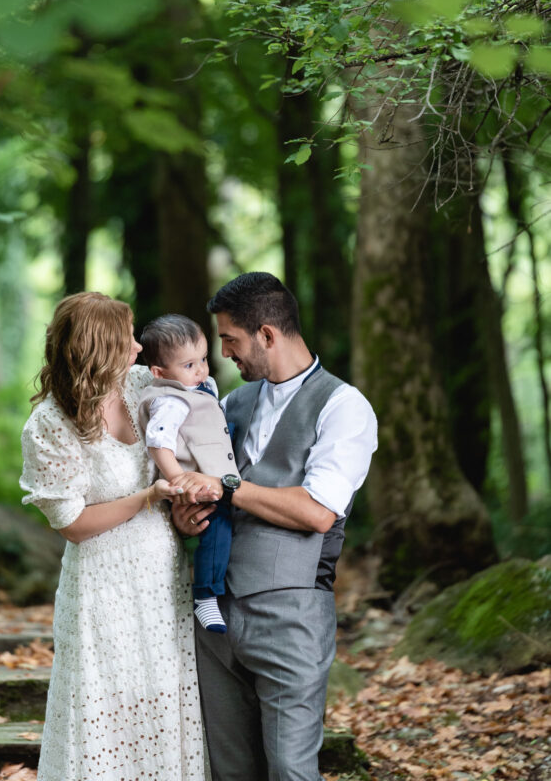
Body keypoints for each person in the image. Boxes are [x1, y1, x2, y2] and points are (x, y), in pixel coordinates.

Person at [173, 272, 378, 781]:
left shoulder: (344, 406)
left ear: (267, 334)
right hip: (214, 614)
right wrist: (185, 515)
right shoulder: (229, 405)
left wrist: (225, 484)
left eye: (230, 341)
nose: (225, 355)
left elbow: (317, 511)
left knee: (289, 768)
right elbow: (200, 493)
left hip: (291, 619)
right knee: (230, 768)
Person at [19, 292, 208, 781]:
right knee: (103, 705)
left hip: (161, 572)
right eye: (126, 340)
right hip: (101, 584)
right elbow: (72, 524)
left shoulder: (144, 384)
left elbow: (193, 434)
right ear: (98, 349)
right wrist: (147, 498)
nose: (138, 349)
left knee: (164, 698)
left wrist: (181, 510)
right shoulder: (51, 423)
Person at [138, 313, 239, 634]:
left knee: (223, 526)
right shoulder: (169, 400)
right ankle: (205, 595)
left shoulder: (197, 386)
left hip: (213, 475)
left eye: (203, 359)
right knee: (216, 528)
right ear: (159, 372)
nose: (201, 370)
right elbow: (158, 441)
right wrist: (178, 482)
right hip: (195, 483)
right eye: (189, 365)